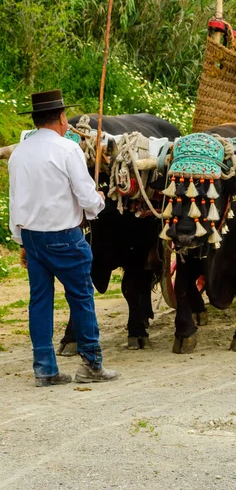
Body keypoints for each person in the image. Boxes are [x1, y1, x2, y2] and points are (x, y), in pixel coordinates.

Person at [8, 89, 119, 387]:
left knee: (40, 301)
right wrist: (98, 200)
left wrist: (21, 241)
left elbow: (16, 202)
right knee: (81, 296)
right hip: (65, 238)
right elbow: (87, 199)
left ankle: (45, 369)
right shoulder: (67, 150)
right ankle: (92, 364)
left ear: (35, 120)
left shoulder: (19, 153)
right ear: (60, 118)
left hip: (32, 238)